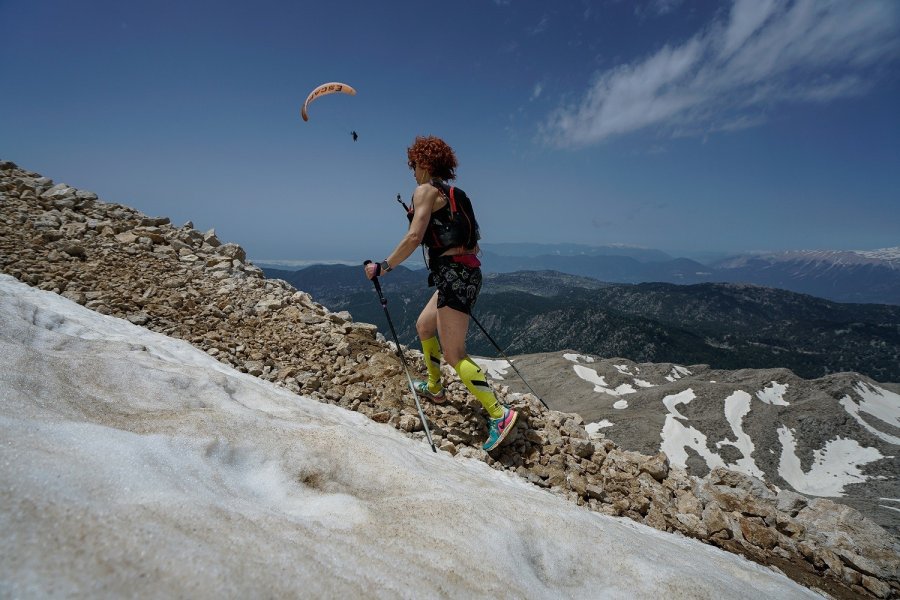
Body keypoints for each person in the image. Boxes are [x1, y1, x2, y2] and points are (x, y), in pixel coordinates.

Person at [365, 135, 518, 452]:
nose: (412, 171)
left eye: (413, 165)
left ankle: (499, 414)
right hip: (467, 273)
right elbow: (474, 241)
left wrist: (383, 266)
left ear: (422, 163)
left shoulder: (424, 191)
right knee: (424, 325)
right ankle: (435, 387)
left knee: (454, 354)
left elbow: (413, 237)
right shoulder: (456, 194)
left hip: (453, 276)